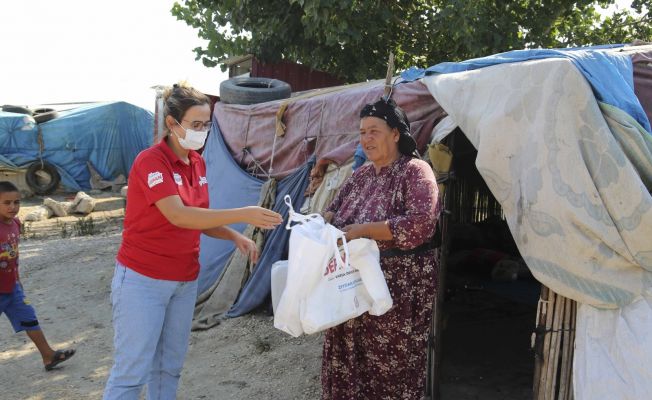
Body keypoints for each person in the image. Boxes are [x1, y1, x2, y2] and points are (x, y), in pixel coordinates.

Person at [103, 82, 283, 400]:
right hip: (143, 281)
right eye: (195, 125)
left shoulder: (196, 162)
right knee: (131, 373)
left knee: (169, 368)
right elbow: (180, 216)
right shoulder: (151, 162)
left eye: (207, 124)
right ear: (172, 124)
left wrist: (234, 235)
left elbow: (200, 217)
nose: (202, 131)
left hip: (184, 282)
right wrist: (243, 213)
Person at [321, 97, 440, 399]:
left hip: (396, 292)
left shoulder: (415, 172)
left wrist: (364, 231)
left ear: (395, 134)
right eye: (362, 133)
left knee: (390, 368)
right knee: (349, 362)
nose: (366, 139)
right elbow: (335, 209)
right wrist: (326, 219)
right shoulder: (360, 176)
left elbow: (421, 224)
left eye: (374, 131)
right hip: (350, 288)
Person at [0, 181, 76, 371]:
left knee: (29, 318)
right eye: (7, 203)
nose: (12, 207)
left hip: (12, 288)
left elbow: (13, 257)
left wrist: (18, 281)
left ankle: (48, 356)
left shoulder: (16, 223)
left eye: (16, 202)